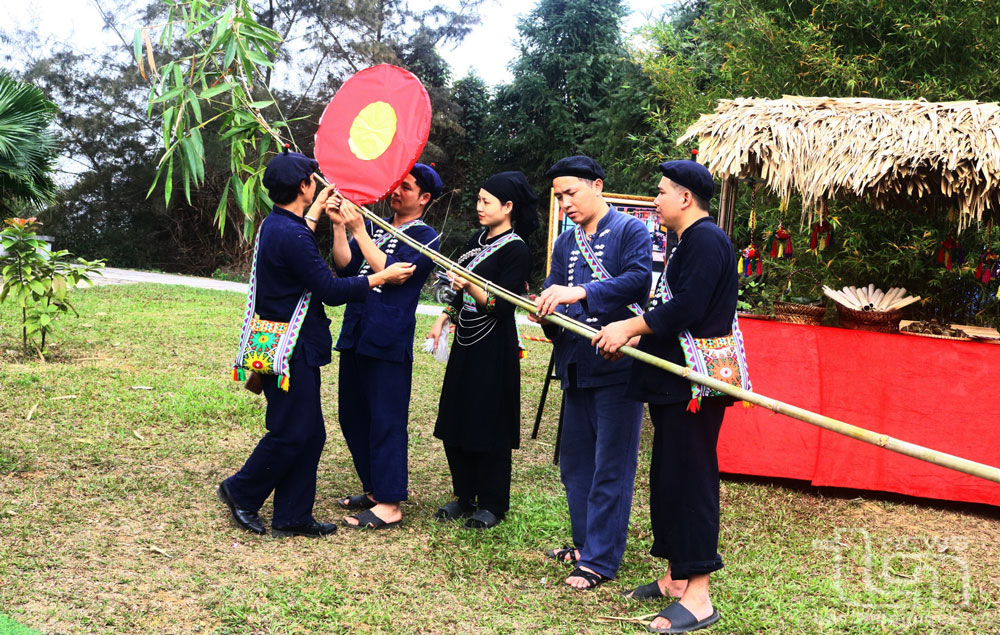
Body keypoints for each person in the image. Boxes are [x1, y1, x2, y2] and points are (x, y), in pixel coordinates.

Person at [218, 149, 415, 538]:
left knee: (309, 432)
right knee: (292, 431)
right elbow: (330, 289)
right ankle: (241, 490)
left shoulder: (277, 225)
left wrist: (315, 213)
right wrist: (382, 277)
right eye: (314, 181)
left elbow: (301, 242)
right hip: (292, 348)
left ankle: (292, 515)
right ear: (305, 186)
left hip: (277, 341)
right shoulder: (291, 235)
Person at [592, 160, 736, 633]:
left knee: (691, 479)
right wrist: (637, 340)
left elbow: (689, 307)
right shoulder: (685, 242)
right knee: (669, 475)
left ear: (685, 198)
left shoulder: (708, 240)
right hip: (672, 380)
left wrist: (629, 326)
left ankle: (698, 595)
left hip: (694, 385)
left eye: (660, 192)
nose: (654, 201)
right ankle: (677, 577)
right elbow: (673, 313)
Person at [530, 155, 652, 590]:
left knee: (611, 465)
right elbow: (553, 287)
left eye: (571, 192)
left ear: (597, 186)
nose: (564, 202)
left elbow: (639, 281)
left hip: (618, 362)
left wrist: (578, 291)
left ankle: (600, 560)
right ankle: (583, 544)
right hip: (576, 362)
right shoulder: (566, 243)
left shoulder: (630, 230)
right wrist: (544, 310)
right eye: (559, 196)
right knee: (575, 464)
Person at [329, 163, 442, 530]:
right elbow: (347, 269)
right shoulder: (376, 226)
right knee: (352, 414)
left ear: (424, 198)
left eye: (406, 188)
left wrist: (360, 229)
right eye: (396, 185)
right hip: (357, 329)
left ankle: (390, 503)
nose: (396, 192)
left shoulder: (427, 237)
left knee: (386, 420)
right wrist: (338, 226)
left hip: (388, 336)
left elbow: (393, 273)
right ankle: (376, 489)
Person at [427, 171, 538, 530]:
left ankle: (492, 502)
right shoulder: (478, 240)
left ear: (508, 207)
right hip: (466, 343)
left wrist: (471, 285)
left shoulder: (516, 249)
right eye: (477, 200)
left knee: (489, 421)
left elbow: (502, 307)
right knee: (456, 415)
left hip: (494, 349)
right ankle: (464, 496)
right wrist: (445, 317)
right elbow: (458, 294)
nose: (479, 207)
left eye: (486, 201)